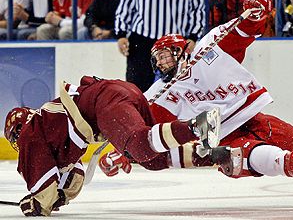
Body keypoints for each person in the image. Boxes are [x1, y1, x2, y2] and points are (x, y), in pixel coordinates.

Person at [100, 0, 293, 203]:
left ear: (183, 51)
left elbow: (243, 30)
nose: (162, 63)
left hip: (254, 117)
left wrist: (257, 11)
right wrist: (120, 152)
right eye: (158, 59)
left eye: (166, 55)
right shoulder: (160, 95)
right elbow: (144, 132)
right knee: (265, 158)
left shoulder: (208, 50)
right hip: (224, 141)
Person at [2, 75, 221, 216]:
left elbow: (42, 196)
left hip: (105, 101)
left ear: (19, 131)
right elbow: (74, 175)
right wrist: (60, 196)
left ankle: (196, 126)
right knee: (150, 159)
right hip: (122, 91)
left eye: (15, 138)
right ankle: (212, 155)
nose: (18, 144)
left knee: (139, 145)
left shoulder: (30, 134)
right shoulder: (49, 127)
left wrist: (37, 204)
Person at [114, 0, 205, 92]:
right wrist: (121, 34)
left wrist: (193, 37)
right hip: (141, 40)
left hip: (174, 42)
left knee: (175, 88)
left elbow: (197, 8)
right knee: (137, 88)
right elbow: (126, 6)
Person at [36, 0, 101, 40]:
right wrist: (53, 19)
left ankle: (71, 55)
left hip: (95, 26)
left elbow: (86, 21)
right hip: (76, 25)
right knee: (43, 30)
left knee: (65, 32)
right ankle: (49, 56)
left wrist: (60, 22)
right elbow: (68, 17)